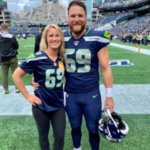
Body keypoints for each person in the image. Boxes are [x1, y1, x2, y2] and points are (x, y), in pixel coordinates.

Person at [33, 1, 114, 150]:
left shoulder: (98, 36)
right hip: (70, 94)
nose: (77, 19)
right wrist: (36, 78)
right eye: (73, 16)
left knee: (93, 128)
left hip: (92, 93)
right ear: (68, 17)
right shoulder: (61, 38)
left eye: (80, 15)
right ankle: (77, 148)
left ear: (86, 17)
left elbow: (105, 68)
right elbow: (46, 60)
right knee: (74, 126)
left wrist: (109, 96)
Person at [12, 24, 66, 150]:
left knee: (60, 136)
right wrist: (28, 96)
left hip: (58, 105)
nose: (54, 38)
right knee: (43, 136)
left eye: (57, 35)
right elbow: (16, 75)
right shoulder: (37, 57)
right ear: (46, 39)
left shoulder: (63, 58)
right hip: (41, 105)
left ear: (61, 38)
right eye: (50, 36)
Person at [0, 23, 20, 94]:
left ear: (1, 29)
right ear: (8, 28)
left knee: (4, 75)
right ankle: (17, 88)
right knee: (15, 74)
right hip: (12, 58)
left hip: (3, 59)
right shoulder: (12, 37)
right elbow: (17, 46)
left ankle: (6, 89)